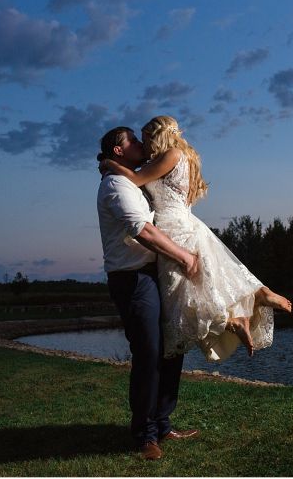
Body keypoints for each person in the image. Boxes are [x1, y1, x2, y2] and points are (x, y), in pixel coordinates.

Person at [99, 115, 293, 362]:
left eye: (144, 139)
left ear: (156, 137)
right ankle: (248, 306)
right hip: (186, 225)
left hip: (172, 230)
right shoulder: (180, 156)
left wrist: (109, 164)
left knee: (185, 296)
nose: (143, 146)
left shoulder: (170, 155)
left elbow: (135, 179)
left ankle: (234, 318)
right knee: (208, 284)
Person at [96, 126, 200, 460]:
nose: (142, 144)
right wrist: (184, 256)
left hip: (155, 274)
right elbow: (143, 231)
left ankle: (163, 423)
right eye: (134, 141)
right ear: (119, 151)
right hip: (133, 279)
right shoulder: (115, 186)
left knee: (172, 347)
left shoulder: (130, 180)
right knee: (149, 353)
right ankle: (145, 435)